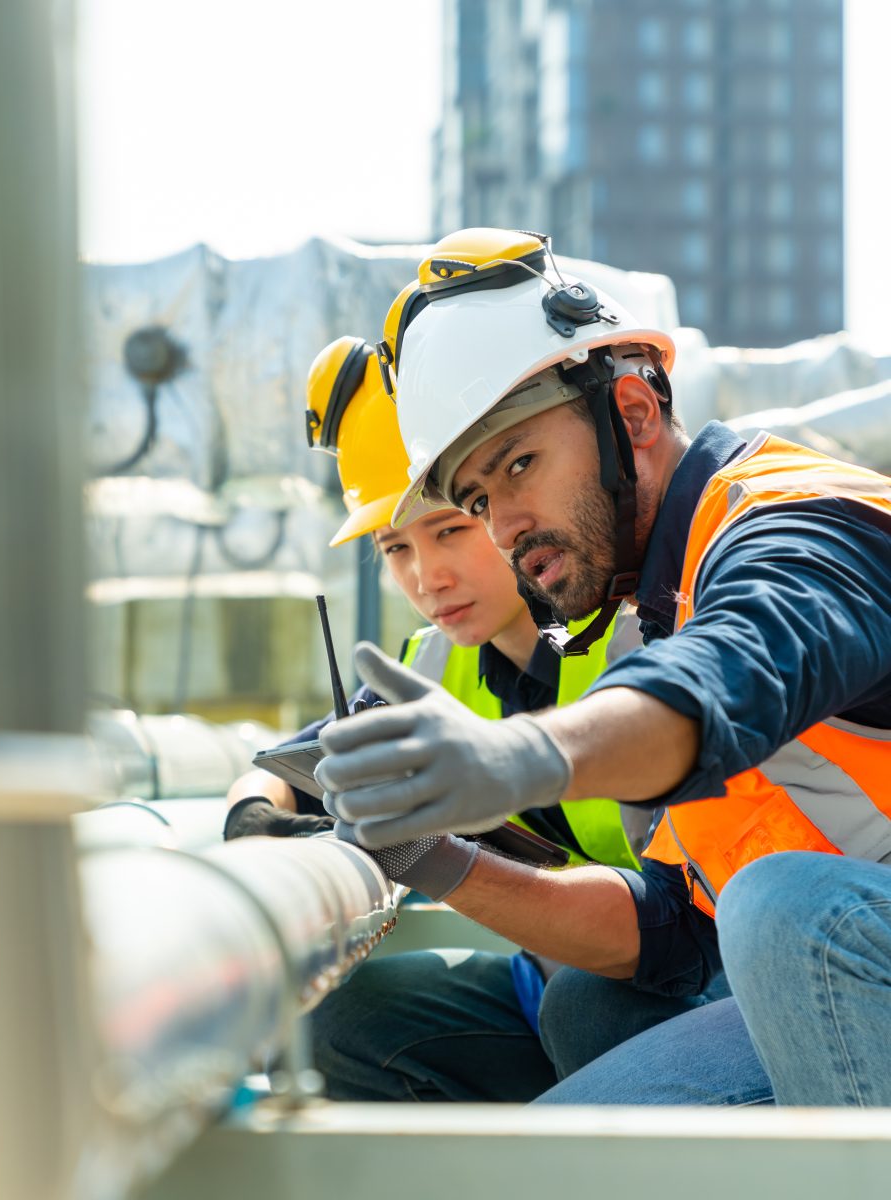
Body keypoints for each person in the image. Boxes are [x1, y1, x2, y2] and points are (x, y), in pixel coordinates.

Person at [315, 228, 891, 1108]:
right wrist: (434, 859)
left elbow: (728, 674)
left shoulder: (794, 524)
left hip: (834, 942)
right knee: (587, 1044)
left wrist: (514, 758)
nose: (504, 526)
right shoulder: (655, 607)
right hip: (852, 963)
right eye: (477, 498)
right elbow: (674, 937)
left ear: (632, 414)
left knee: (787, 912)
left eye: (519, 465)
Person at [227, 332, 692, 1103]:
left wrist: (427, 857)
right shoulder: (430, 666)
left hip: (695, 973)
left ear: (504, 510)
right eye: (395, 548)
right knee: (342, 1024)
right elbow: (285, 769)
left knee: (589, 1012)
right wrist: (256, 821)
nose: (427, 576)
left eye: (450, 529)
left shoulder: (645, 640)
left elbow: (672, 934)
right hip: (559, 966)